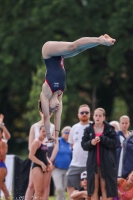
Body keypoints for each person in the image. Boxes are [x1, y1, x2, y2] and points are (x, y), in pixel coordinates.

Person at [40, 34, 116, 141]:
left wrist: (48, 135)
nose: (55, 109)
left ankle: (100, 40)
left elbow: (46, 117)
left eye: (52, 109)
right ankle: (100, 41)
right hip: (59, 56)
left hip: (48, 52)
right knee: (79, 49)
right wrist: (56, 136)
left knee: (73, 46)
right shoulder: (59, 95)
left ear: (47, 104)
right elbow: (57, 117)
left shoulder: (46, 91)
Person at [81, 108, 118, 200]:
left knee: (105, 186)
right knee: (94, 188)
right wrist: (91, 143)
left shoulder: (110, 129)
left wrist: (103, 138)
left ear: (104, 117)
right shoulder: (88, 129)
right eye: (96, 115)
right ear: (93, 117)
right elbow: (84, 145)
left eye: (100, 116)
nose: (98, 117)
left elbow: (114, 143)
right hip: (93, 163)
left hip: (106, 163)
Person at [25, 109, 58, 200]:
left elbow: (56, 145)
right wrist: (40, 162)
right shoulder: (34, 128)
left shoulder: (51, 129)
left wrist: (49, 161)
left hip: (46, 156)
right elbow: (30, 149)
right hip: (36, 156)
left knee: (45, 187)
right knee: (32, 185)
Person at [66, 104, 91, 200]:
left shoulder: (93, 126)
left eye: (86, 112)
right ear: (78, 115)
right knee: (70, 184)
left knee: (91, 190)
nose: (84, 114)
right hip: (75, 164)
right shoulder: (74, 127)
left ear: (90, 114)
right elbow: (72, 145)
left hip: (90, 164)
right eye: (82, 112)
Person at [28, 125, 52, 200]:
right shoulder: (36, 141)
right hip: (37, 166)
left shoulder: (44, 142)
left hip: (44, 166)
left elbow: (45, 155)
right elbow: (31, 156)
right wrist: (41, 163)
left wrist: (49, 162)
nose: (44, 133)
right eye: (43, 131)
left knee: (43, 190)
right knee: (38, 191)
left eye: (46, 132)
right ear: (39, 132)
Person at [52, 126, 72, 200]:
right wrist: (52, 163)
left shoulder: (71, 143)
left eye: (69, 133)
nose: (67, 134)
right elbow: (51, 152)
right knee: (59, 188)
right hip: (57, 168)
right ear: (62, 133)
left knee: (63, 188)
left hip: (68, 169)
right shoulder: (58, 141)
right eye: (66, 132)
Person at [0, 114, 11, 200]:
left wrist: (1, 123)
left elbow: (7, 136)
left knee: (2, 186)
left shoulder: (3, 142)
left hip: (1, 165)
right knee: (3, 187)